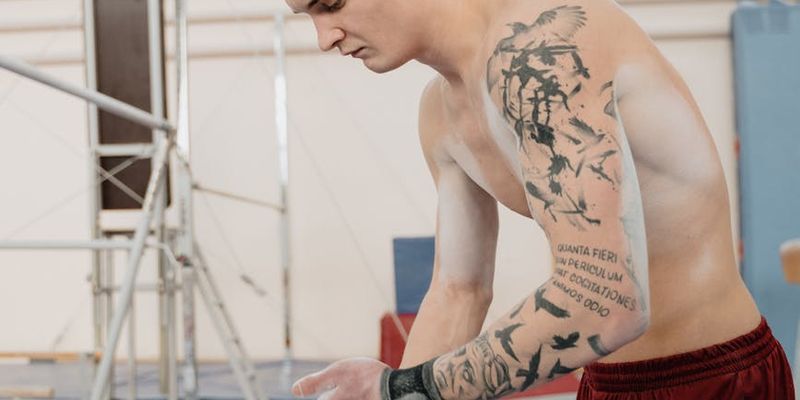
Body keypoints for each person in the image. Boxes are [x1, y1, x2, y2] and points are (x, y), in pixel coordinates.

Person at [285, 0, 796, 398]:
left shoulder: (540, 48)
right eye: (308, 17)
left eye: (331, 4)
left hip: (711, 376)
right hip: (604, 382)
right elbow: (459, 291)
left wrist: (400, 389)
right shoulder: (439, 114)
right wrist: (402, 394)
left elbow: (604, 301)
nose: (325, 38)